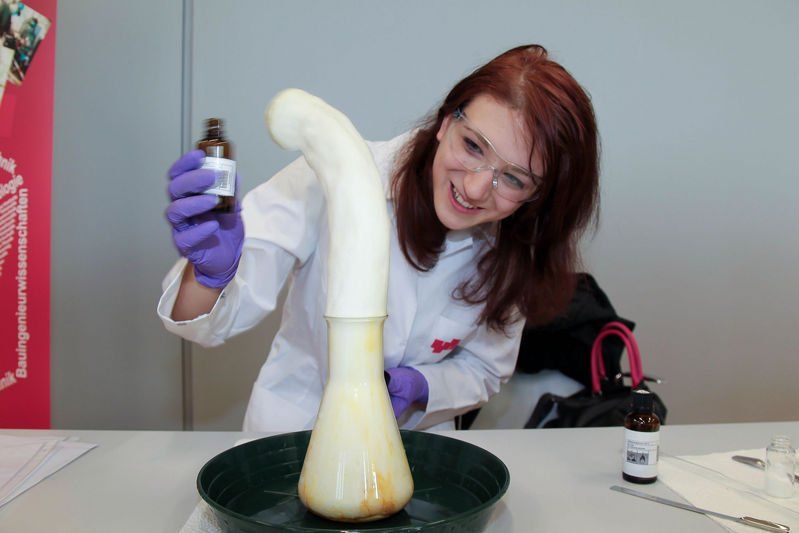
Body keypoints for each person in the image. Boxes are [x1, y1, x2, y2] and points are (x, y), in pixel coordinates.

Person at [158, 44, 600, 432]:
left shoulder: (515, 246)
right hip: (296, 435)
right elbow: (208, 324)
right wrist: (209, 277)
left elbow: (486, 369)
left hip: (417, 450)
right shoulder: (331, 176)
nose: (476, 187)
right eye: (473, 146)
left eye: (514, 178)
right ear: (446, 122)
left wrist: (425, 386)